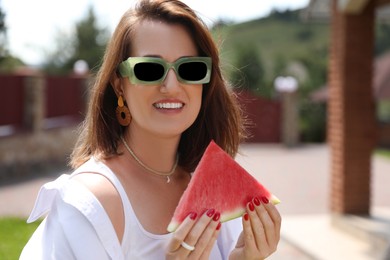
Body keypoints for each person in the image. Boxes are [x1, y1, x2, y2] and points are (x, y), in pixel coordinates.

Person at [20, 0, 281, 259]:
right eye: (149, 70)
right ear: (119, 85)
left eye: (190, 68)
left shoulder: (206, 187)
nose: (171, 85)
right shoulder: (90, 203)